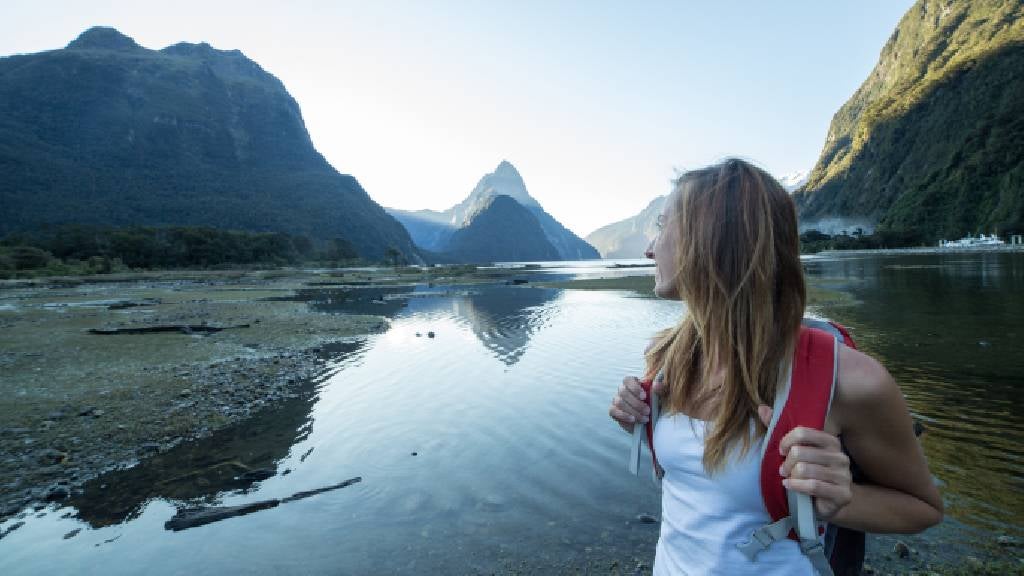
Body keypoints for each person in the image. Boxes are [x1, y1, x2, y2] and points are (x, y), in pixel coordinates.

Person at [608, 158, 942, 575]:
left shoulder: (851, 379)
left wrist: (842, 500)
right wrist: (640, 419)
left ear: (711, 239)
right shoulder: (668, 359)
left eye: (662, 225)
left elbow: (923, 509)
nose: (650, 248)